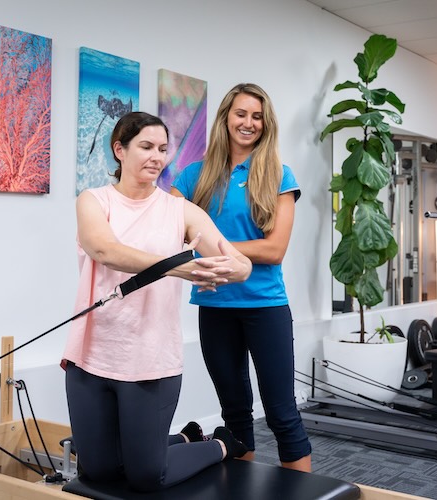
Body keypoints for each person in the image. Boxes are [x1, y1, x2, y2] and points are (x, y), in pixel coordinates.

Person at [62, 111, 252, 492]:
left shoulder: (179, 211)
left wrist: (219, 269)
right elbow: (105, 249)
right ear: (120, 150)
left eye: (163, 149)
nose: (156, 157)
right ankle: (185, 437)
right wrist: (178, 267)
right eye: (146, 146)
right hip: (93, 354)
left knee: (147, 475)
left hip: (150, 358)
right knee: (97, 471)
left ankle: (219, 444)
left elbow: (242, 265)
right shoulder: (94, 200)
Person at [171, 83, 312, 472]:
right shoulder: (192, 177)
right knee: (234, 414)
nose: (248, 123)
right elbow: (167, 230)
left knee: (283, 414)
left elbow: (274, 249)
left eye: (257, 116)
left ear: (266, 124)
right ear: (225, 118)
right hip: (214, 307)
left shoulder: (279, 176)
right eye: (241, 114)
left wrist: (213, 245)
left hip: (265, 307)